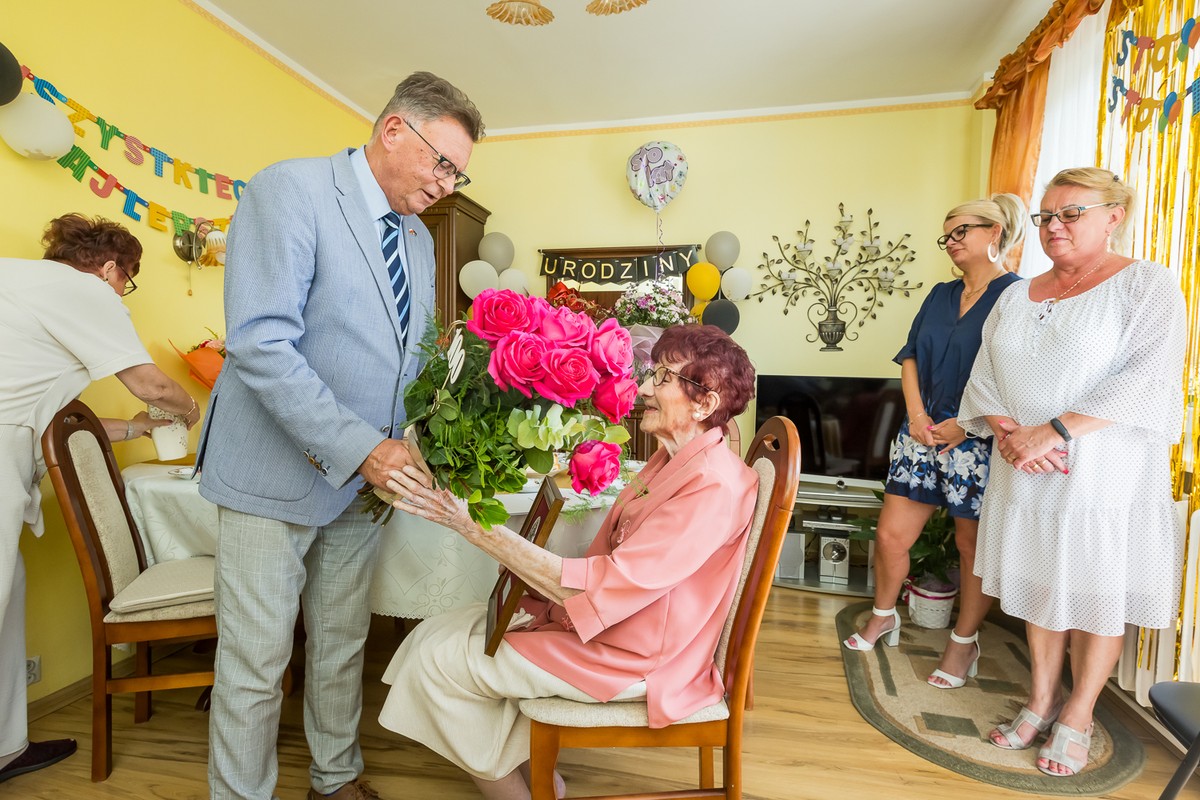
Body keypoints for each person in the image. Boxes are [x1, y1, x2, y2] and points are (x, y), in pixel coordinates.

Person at [196, 72, 484, 800]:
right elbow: (261, 343)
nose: (447, 184)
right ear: (393, 129)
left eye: (459, 174)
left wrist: (419, 436)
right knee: (257, 663)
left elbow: (413, 359)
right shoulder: (290, 191)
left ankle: (335, 777)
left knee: (340, 644)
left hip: (364, 485)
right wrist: (364, 447)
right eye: (442, 163)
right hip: (272, 474)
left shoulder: (416, 238)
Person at [376, 325, 758, 800]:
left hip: (639, 656)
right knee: (436, 632)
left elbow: (598, 589)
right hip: (625, 626)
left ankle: (515, 794)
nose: (643, 388)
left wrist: (470, 526)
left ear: (705, 403)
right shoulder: (676, 460)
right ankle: (543, 784)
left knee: (440, 662)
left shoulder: (711, 486)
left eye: (662, 378)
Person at [958, 168, 1185, 777]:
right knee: (1038, 585)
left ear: (1114, 216)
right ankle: (1041, 699)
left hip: (1102, 477)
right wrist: (1010, 433)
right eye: (1046, 217)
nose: (1053, 226)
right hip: (1023, 468)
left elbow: (1146, 378)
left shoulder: (1147, 285)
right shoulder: (1015, 295)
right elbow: (985, 374)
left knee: (1094, 591)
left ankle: (1078, 713)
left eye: (1070, 214)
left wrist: (1053, 431)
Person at [0, 214, 200, 784]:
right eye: (126, 281)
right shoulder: (85, 291)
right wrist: (192, 412)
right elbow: (151, 384)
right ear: (111, 268)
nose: (121, 293)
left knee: (8, 596)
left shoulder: (18, 283)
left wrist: (138, 429)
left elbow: (58, 421)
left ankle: (6, 747)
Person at [843, 194, 1025, 690]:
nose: (951, 242)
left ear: (995, 232)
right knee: (890, 536)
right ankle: (883, 617)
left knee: (971, 547)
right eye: (947, 235)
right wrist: (918, 417)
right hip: (919, 434)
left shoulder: (1018, 296)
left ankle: (963, 643)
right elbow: (910, 358)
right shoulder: (940, 294)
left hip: (978, 440)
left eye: (961, 231)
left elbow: (1017, 377)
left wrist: (967, 425)